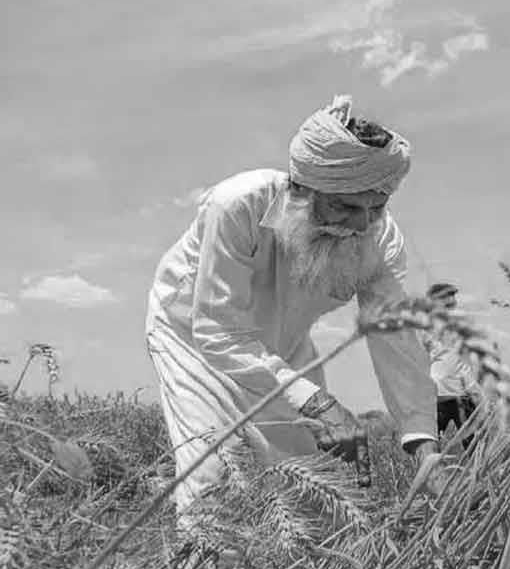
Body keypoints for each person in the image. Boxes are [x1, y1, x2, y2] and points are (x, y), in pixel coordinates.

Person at [144, 95, 442, 525]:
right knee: (214, 478)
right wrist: (320, 405)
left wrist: (425, 448)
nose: (360, 225)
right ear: (301, 190)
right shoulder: (236, 206)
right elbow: (218, 330)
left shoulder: (379, 239)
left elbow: (395, 338)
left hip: (283, 347)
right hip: (193, 336)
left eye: (375, 208)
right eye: (344, 207)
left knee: (311, 489)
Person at [423, 283, 479, 449]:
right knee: (429, 445)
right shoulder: (424, 329)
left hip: (465, 396)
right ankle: (432, 474)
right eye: (447, 303)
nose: (452, 306)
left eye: (453, 303)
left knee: (474, 448)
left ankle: (476, 475)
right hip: (438, 396)